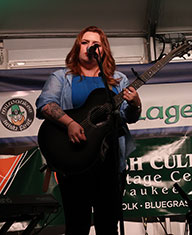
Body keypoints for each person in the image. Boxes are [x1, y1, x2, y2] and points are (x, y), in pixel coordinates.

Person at [36, 26, 141, 235]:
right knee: (77, 226)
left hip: (110, 164)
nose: (89, 47)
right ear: (77, 47)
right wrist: (70, 123)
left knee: (108, 226)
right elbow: (45, 104)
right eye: (84, 42)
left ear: (104, 50)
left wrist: (136, 103)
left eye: (95, 44)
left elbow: (130, 117)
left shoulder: (118, 80)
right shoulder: (62, 77)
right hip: (75, 161)